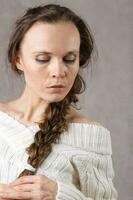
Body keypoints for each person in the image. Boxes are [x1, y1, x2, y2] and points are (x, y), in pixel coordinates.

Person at [0, 3, 118, 200]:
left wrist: (59, 193)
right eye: (43, 58)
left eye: (69, 59)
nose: (58, 71)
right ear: (18, 59)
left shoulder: (91, 137)